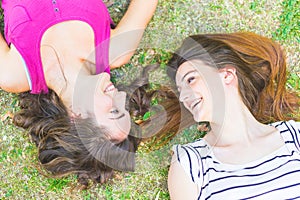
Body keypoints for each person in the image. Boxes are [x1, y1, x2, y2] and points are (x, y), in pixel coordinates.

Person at [0, 0, 158, 187]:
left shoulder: (14, 73)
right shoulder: (115, 50)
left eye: (114, 111)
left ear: (78, 118)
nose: (121, 96)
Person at [166, 32, 300, 199]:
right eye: (180, 91)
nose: (183, 96)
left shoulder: (295, 136)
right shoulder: (192, 163)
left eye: (190, 80)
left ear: (227, 75)